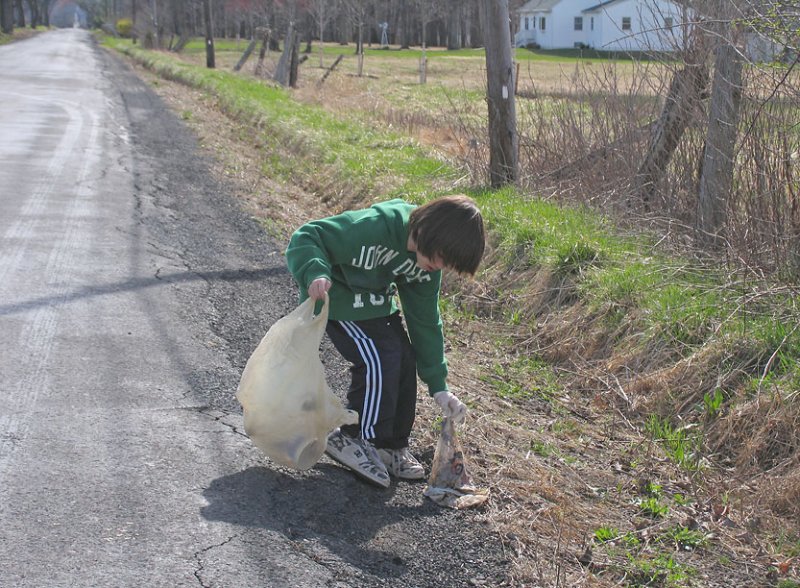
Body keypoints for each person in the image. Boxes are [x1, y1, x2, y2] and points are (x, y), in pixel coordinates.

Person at [285, 195, 486, 487]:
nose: (440, 266)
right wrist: (315, 271)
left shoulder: (427, 266)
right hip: (336, 298)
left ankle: (389, 445)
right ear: (429, 231)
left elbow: (426, 322)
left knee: (403, 357)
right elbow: (308, 236)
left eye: (448, 264)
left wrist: (439, 386)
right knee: (380, 357)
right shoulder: (374, 227)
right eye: (442, 256)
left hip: (374, 304)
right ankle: (353, 437)